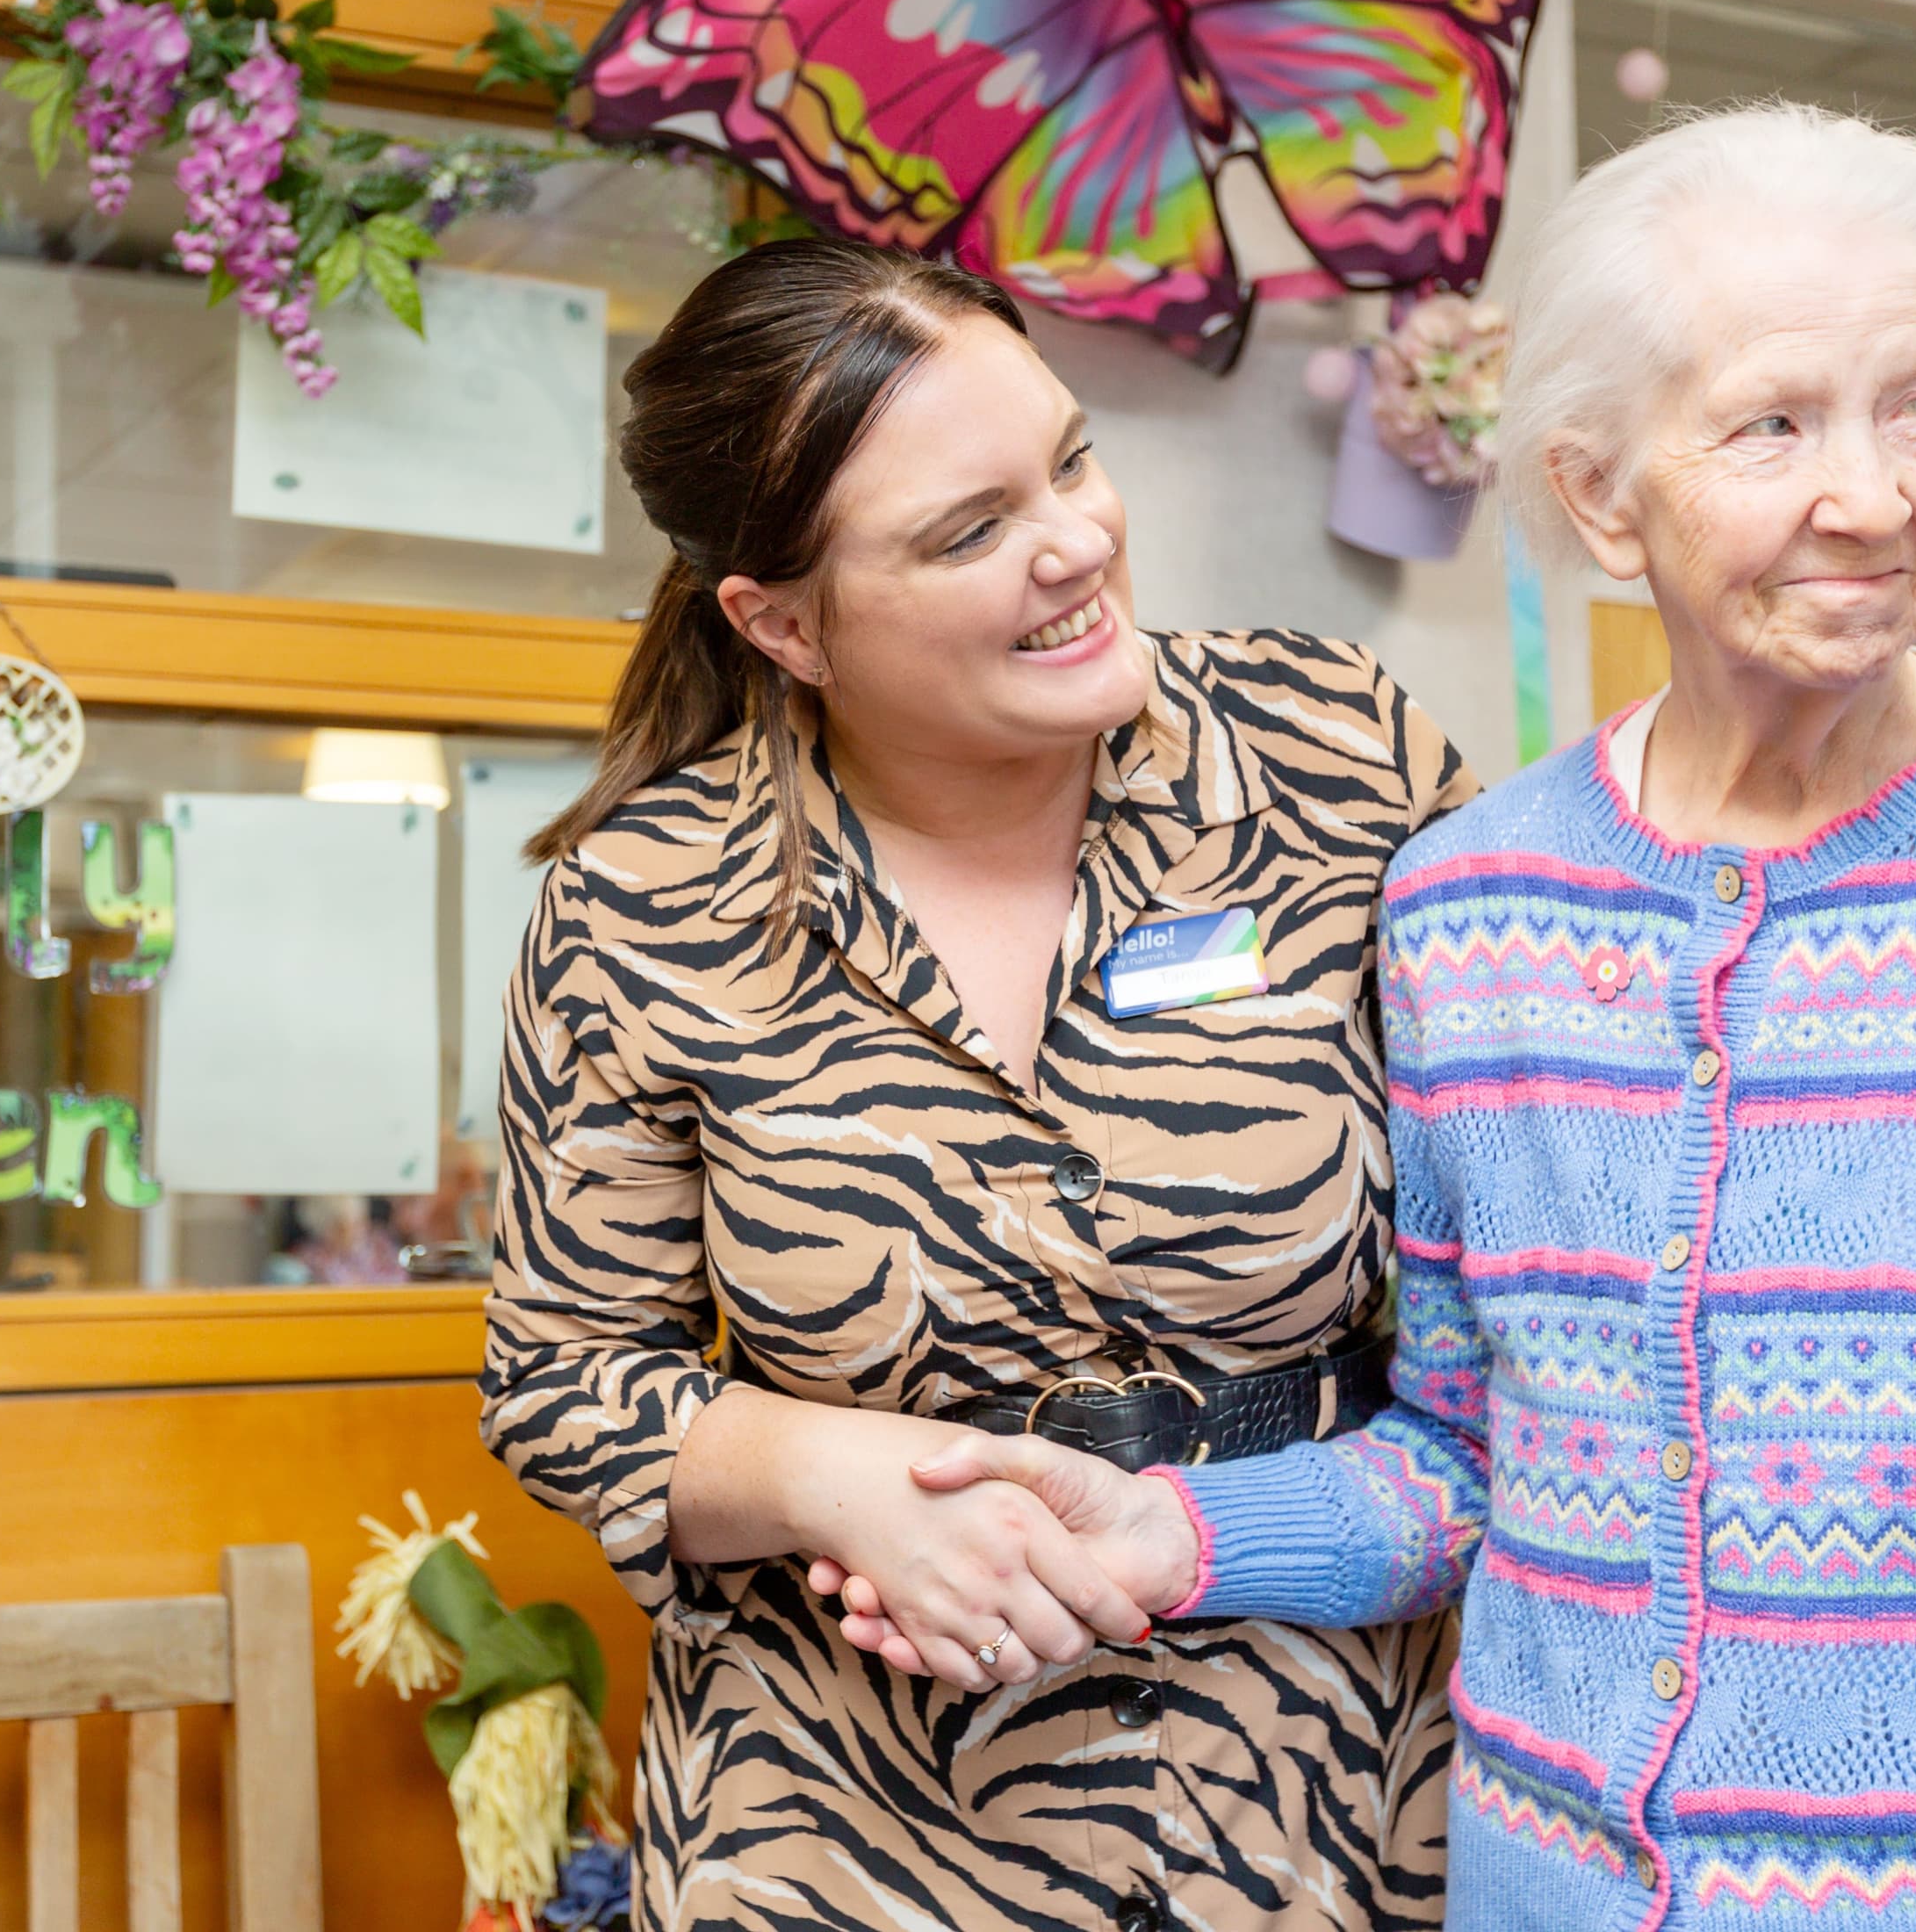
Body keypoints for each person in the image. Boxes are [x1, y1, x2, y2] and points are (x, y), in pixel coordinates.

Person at [837, 102, 1916, 1927]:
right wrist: (1178, 1530)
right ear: (1600, 496)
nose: (1878, 491)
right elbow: (1477, 1450)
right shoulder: (1472, 910)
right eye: (1774, 422)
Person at [479, 237, 1472, 1932]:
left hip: (1328, 1795)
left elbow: (1522, 1267)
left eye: (1071, 460)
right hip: (841, 1827)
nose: (1077, 545)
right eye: (970, 530)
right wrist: (825, 1476)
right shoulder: (642, 905)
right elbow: (562, 1379)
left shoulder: (1334, 754)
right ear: (782, 622)